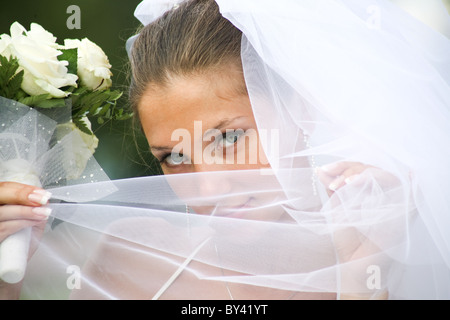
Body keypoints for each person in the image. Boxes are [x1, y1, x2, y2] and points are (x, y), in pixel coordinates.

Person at [1, 0, 450, 300]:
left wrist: (357, 277)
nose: (207, 185)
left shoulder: (400, 244)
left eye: (230, 137)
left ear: (299, 107)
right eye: (173, 157)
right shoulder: (133, 251)